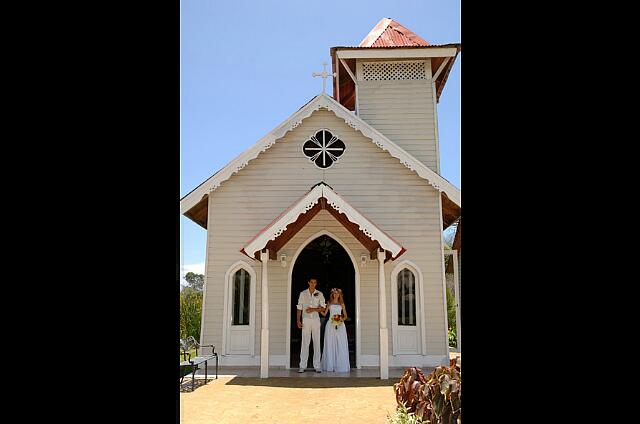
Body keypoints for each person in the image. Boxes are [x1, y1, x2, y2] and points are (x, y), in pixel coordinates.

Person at [296, 278, 326, 373]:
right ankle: (302, 365)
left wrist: (313, 309)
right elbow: (299, 307)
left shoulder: (320, 294)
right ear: (308, 282)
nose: (313, 284)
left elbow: (323, 308)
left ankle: (317, 366)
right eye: (311, 282)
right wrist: (298, 320)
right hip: (306, 320)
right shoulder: (303, 293)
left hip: (316, 320)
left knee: (317, 342)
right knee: (305, 343)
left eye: (315, 282)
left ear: (316, 284)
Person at [320, 287, 350, 373]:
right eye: (334, 293)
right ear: (332, 294)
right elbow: (325, 314)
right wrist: (317, 309)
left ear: (339, 294)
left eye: (337, 293)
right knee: (330, 343)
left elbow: (345, 316)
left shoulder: (342, 304)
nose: (336, 294)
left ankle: (340, 365)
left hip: (340, 325)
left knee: (340, 344)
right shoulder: (329, 303)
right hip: (330, 325)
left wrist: (339, 321)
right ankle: (330, 365)